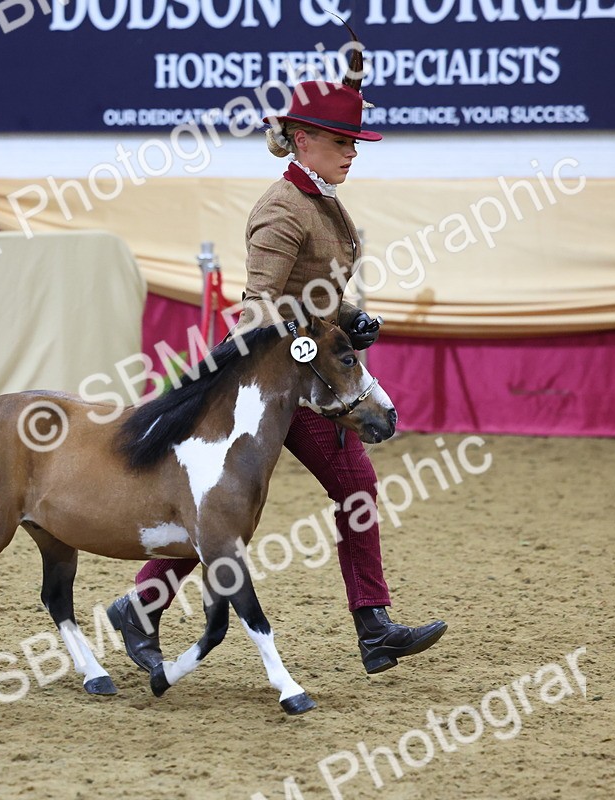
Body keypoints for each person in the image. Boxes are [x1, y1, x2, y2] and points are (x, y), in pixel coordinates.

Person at [107, 31, 447, 676]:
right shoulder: (282, 211)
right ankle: (145, 608)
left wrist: (351, 319)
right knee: (229, 507)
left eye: (355, 143)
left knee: (347, 489)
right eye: (343, 142)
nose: (353, 153)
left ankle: (370, 627)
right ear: (302, 138)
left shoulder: (322, 201)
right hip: (265, 383)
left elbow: (314, 296)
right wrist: (310, 349)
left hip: (304, 373)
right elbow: (257, 306)